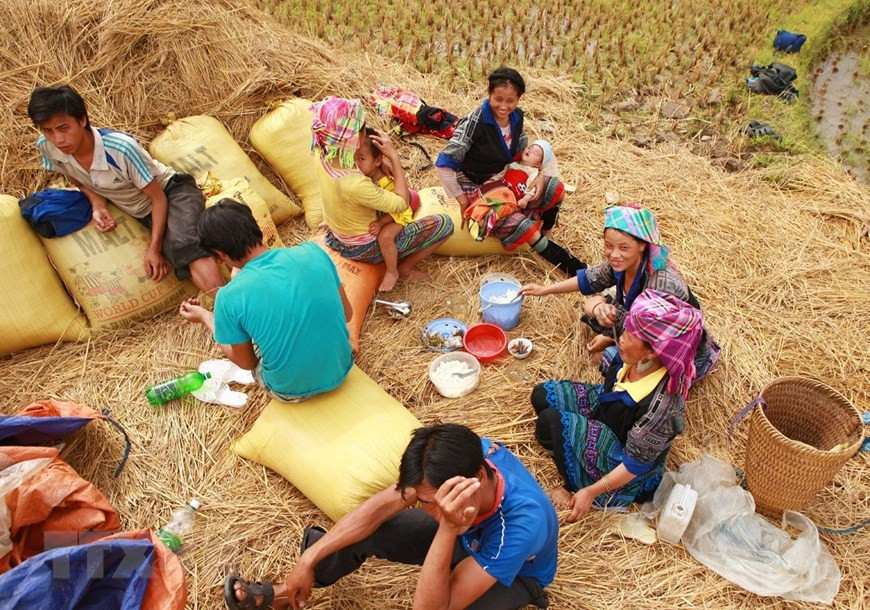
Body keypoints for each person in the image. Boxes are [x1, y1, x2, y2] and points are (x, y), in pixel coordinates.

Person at [224, 423, 558, 610]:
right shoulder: (464, 457)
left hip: (517, 574)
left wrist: (448, 529)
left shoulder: (520, 524)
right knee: (375, 527)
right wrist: (308, 559)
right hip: (465, 532)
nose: (427, 509)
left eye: (433, 502)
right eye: (422, 500)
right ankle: (285, 595)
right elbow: (380, 507)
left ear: (478, 480)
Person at [28, 85, 224, 296]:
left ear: (82, 120)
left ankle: (235, 314)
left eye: (63, 128)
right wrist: (97, 204)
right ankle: (228, 310)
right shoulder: (48, 147)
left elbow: (158, 198)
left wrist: (154, 248)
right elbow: (79, 180)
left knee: (186, 246)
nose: (58, 139)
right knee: (179, 257)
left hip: (172, 193)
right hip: (142, 212)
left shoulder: (121, 149)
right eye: (48, 131)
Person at [531, 290, 704, 520]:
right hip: (609, 408)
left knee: (551, 421)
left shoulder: (662, 406)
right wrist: (599, 308)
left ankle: (575, 482)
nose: (621, 337)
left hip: (624, 461)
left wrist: (590, 492)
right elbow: (597, 304)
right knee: (541, 395)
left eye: (630, 336)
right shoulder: (638, 333)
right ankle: (579, 444)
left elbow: (633, 465)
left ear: (652, 352)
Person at [520, 203, 720, 380]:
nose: (614, 255)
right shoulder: (624, 264)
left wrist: (600, 311)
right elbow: (590, 278)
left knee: (608, 362)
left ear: (642, 245)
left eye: (624, 247)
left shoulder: (660, 284)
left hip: (674, 350)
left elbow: (651, 337)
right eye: (609, 246)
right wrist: (544, 290)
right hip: (644, 330)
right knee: (595, 311)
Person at [178, 200, 353, 402]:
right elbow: (347, 315)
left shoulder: (228, 297)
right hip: (341, 369)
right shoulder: (313, 252)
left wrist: (207, 317)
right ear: (256, 229)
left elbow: (246, 363)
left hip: (289, 390)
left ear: (218, 255)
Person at [435, 67, 584, 274]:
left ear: (518, 99)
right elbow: (444, 163)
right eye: (498, 99)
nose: (504, 106)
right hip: (477, 184)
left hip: (508, 175)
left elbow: (522, 152)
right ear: (489, 94)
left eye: (510, 101)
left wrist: (539, 177)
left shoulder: (516, 118)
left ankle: (547, 233)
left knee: (555, 188)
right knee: (522, 226)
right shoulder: (474, 123)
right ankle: (577, 270)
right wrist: (461, 199)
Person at [312, 97, 453, 290]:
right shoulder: (356, 183)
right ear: (354, 137)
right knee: (445, 224)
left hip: (335, 235)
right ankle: (402, 271)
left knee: (409, 197)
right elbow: (400, 204)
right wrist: (393, 157)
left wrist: (379, 164)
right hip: (363, 248)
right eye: (361, 129)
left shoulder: (321, 156)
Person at [354, 128, 421, 291]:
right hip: (385, 212)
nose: (356, 164)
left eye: (361, 159)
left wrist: (382, 221)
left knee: (385, 237)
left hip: (397, 215)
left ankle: (393, 271)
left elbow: (398, 207)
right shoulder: (361, 177)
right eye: (354, 158)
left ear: (377, 161)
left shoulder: (384, 184)